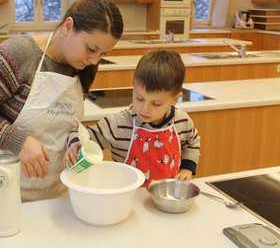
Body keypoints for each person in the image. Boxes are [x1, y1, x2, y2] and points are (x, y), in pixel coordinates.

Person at [0, 0, 124, 205]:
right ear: (68, 26)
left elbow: (64, 122)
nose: (95, 60)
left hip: (51, 191)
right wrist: (20, 142)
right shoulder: (17, 55)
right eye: (91, 49)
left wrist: (74, 141)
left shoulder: (84, 67)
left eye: (103, 53)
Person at [64, 51, 200, 188]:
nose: (144, 108)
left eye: (156, 104)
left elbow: (192, 142)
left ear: (175, 99)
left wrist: (186, 169)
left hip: (167, 195)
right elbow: (80, 135)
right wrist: (75, 144)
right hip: (128, 198)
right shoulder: (118, 124)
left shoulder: (182, 121)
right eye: (139, 98)